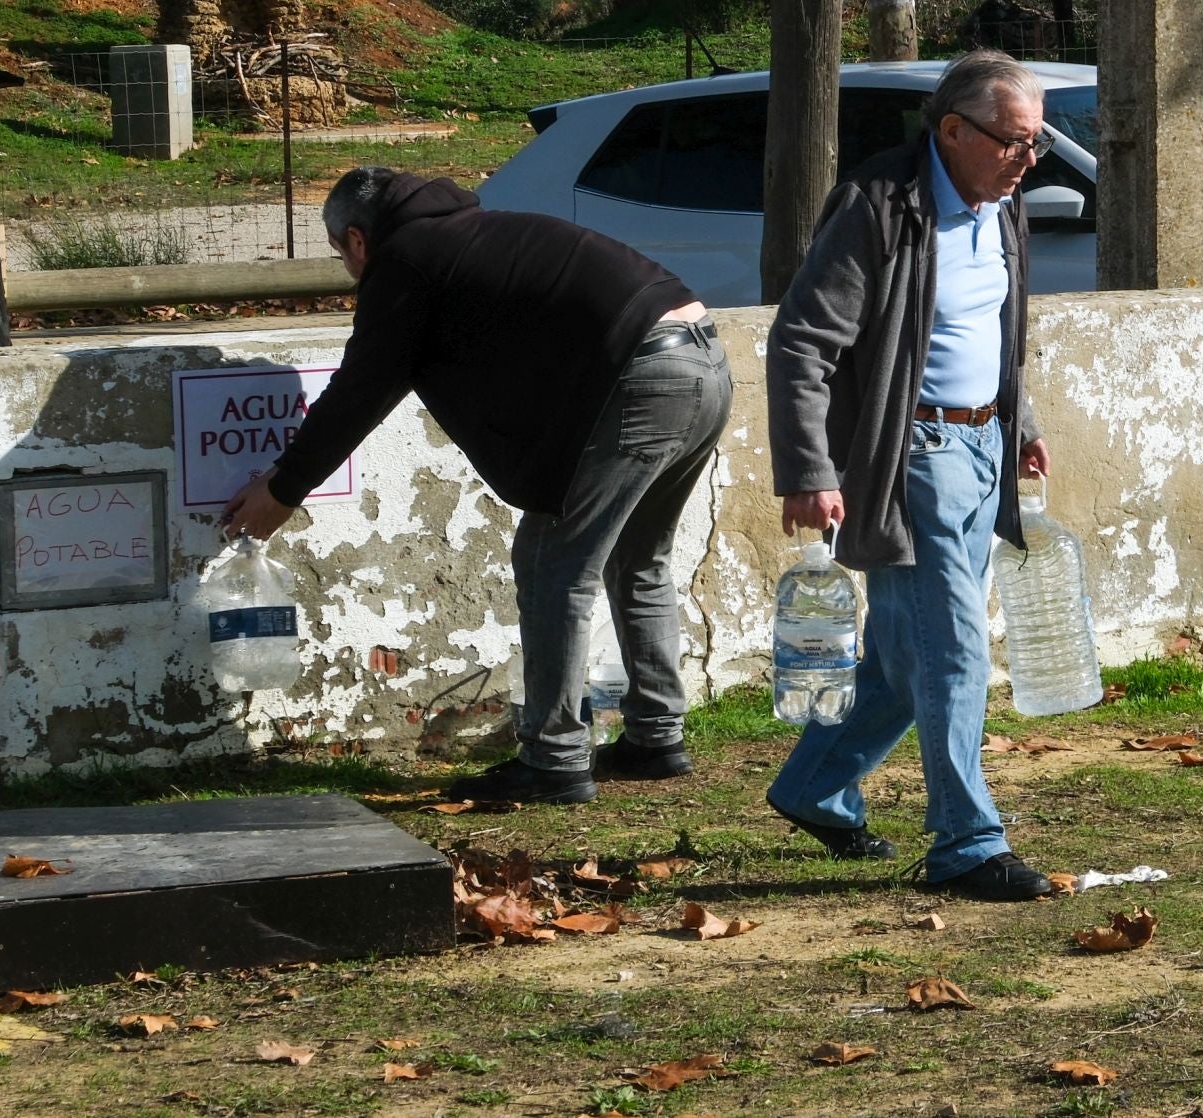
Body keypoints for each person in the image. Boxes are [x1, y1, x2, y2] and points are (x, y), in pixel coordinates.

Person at [222, 166, 732, 805]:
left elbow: (361, 388)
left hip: (644, 371)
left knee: (553, 559)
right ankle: (657, 736)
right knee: (637, 558)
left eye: (340, 256)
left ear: (356, 239)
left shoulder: (406, 260)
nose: (350, 271)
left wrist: (284, 489)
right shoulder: (471, 234)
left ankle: (554, 758)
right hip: (705, 358)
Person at [764, 50, 1055, 901]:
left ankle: (814, 787)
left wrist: (1020, 422)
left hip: (981, 451)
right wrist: (810, 469)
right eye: (1014, 142)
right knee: (955, 650)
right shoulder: (879, 205)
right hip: (909, 457)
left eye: (1036, 144)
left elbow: (997, 328)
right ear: (953, 130)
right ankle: (968, 844)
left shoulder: (1004, 207)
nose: (1027, 161)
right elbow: (802, 343)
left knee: (905, 658)